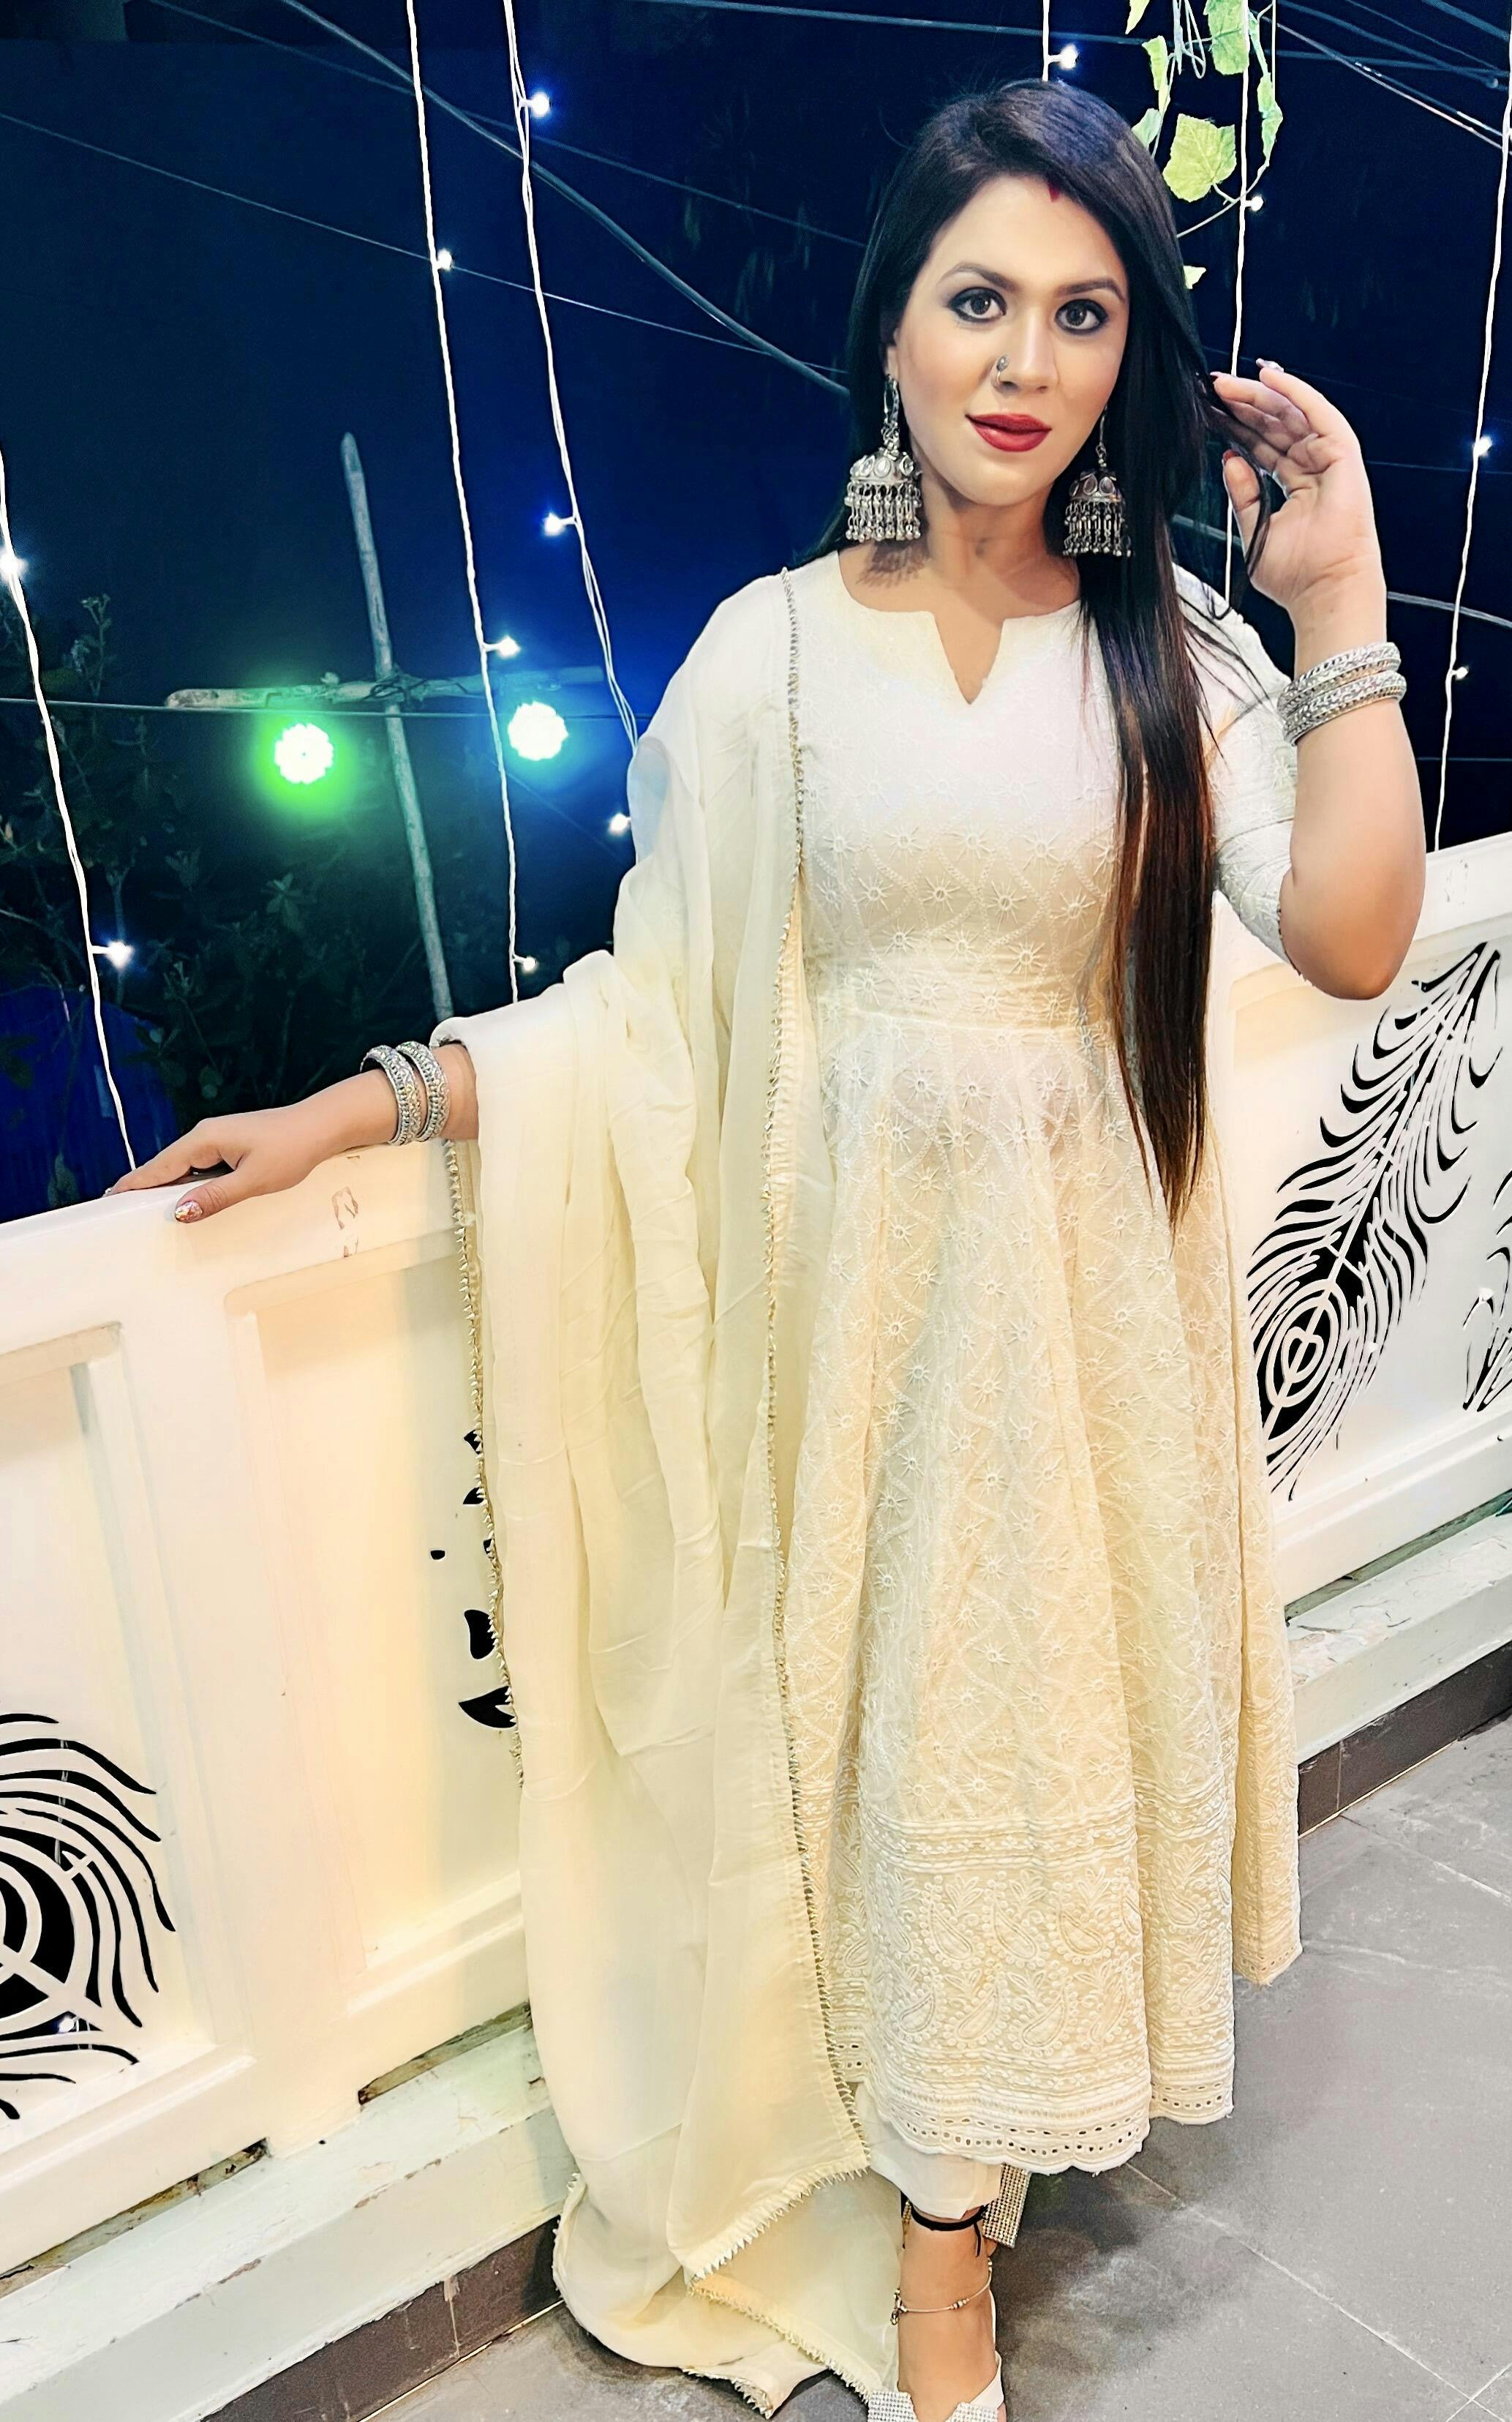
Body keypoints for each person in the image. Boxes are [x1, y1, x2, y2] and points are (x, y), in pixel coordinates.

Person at [109, 78, 1423, 2422]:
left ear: (1128, 354)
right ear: (891, 326)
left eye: (1083, 314)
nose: (1023, 361)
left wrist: (1335, 604)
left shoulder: (1166, 649)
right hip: (861, 1329)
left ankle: (956, 2224)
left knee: (1032, 1746)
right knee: (905, 1764)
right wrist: (366, 1102)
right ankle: (927, 2228)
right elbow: (656, 1024)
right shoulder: (765, 661)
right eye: (978, 300)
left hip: (1087, 1320)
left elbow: (1344, 933)